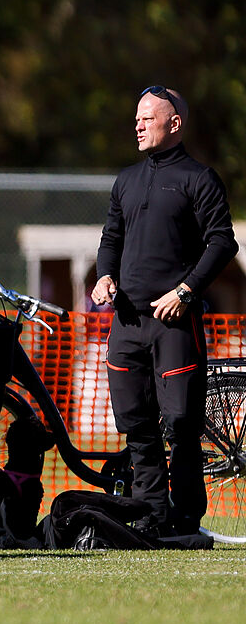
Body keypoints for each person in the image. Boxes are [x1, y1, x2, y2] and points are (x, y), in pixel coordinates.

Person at [91, 86, 237, 535]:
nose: (137, 124)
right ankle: (149, 517)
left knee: (180, 424)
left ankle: (186, 521)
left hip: (175, 325)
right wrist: (103, 276)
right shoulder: (126, 181)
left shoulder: (199, 178)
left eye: (147, 117)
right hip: (127, 323)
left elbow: (222, 242)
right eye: (135, 117)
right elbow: (111, 239)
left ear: (175, 124)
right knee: (136, 427)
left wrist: (187, 291)